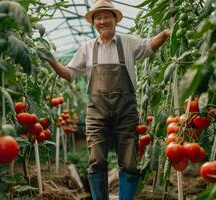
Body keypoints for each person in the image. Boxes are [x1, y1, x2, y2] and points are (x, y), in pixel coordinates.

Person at [40, 0, 171, 199]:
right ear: (93, 22)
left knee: (129, 161)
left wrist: (164, 34)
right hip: (97, 112)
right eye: (98, 17)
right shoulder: (86, 48)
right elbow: (69, 73)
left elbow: (148, 47)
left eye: (106, 16)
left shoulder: (127, 42)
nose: (102, 21)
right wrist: (52, 61)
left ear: (114, 20)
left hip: (125, 110)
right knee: (96, 160)